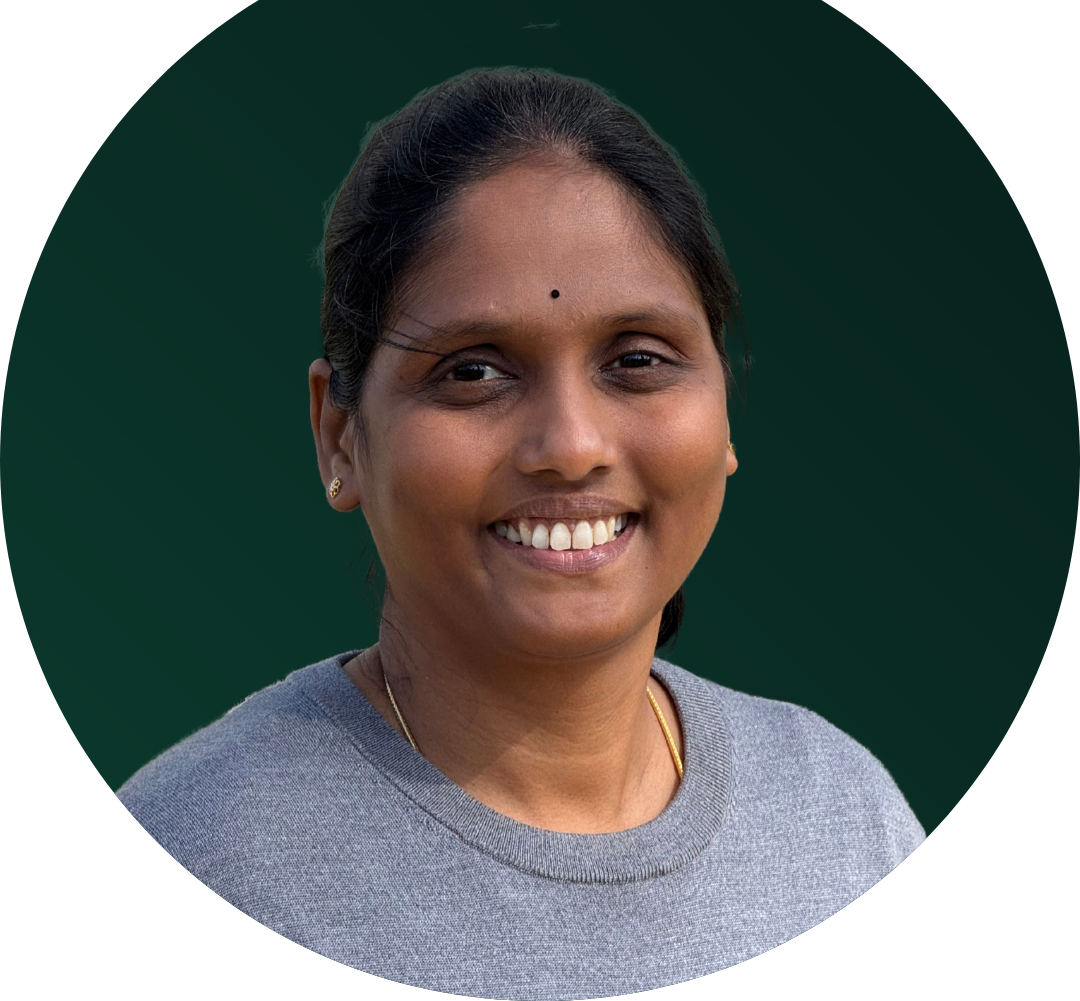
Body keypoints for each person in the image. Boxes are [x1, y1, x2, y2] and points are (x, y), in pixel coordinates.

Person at [119, 69, 924, 999]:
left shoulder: (845, 816)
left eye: (637, 361)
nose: (571, 447)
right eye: (472, 373)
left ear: (726, 416)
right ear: (340, 436)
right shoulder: (187, 866)